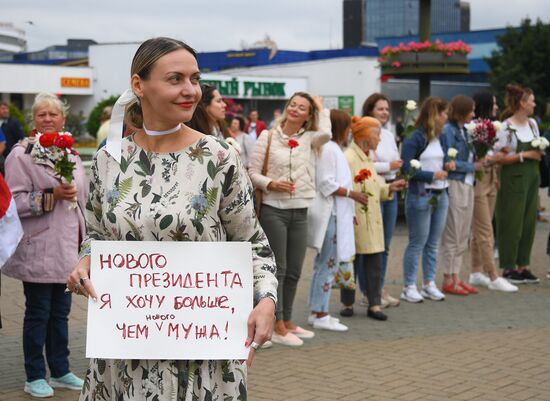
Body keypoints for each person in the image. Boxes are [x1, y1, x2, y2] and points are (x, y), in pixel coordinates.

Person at [67, 37, 277, 401]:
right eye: (175, 79)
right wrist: (85, 262)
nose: (189, 90)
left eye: (194, 79)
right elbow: (97, 234)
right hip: (126, 353)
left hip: (199, 357)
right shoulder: (109, 160)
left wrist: (267, 301)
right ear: (138, 85)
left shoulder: (219, 157)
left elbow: (253, 244)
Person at [2, 93, 88, 398]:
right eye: (42, 115)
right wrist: (51, 194)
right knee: (38, 312)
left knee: (61, 313)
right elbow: (14, 201)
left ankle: (61, 369)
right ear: (33, 120)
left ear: (63, 119)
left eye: (53, 114)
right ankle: (34, 374)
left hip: (67, 249)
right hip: (38, 247)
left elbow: (83, 199)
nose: (48, 119)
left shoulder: (73, 154)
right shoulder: (21, 154)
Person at [249, 92, 331, 346]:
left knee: (295, 269)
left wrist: (321, 107)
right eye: (293, 105)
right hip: (274, 209)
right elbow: (251, 172)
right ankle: (275, 325)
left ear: (309, 115)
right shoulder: (268, 136)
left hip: (301, 209)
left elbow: (327, 134)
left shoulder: (310, 139)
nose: (295, 109)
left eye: (303, 107)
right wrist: (271, 183)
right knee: (280, 268)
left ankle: (288, 320)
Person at [307, 109, 366, 331]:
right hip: (331, 214)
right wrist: (353, 196)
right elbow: (326, 183)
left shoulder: (333, 149)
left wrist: (350, 210)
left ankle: (317, 310)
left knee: (325, 264)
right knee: (328, 264)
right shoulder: (330, 149)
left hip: (337, 213)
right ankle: (320, 312)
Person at [343, 116, 406, 320]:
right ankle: (348, 302)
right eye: (377, 134)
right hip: (357, 217)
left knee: (374, 261)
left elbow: (371, 187)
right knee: (351, 261)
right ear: (366, 136)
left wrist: (389, 187)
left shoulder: (367, 157)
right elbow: (346, 189)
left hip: (371, 217)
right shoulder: (350, 158)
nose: (379, 139)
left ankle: (374, 304)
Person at [401, 97, 450, 303]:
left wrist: (449, 166)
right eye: (445, 113)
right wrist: (431, 175)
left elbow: (443, 160)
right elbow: (406, 169)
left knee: (433, 242)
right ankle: (408, 286)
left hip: (441, 193)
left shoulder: (441, 137)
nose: (447, 117)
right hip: (420, 194)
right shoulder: (415, 137)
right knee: (417, 242)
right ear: (435, 114)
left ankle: (429, 283)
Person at [468, 91, 518, 292]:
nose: (497, 108)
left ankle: (475, 271)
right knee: (485, 230)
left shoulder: (492, 128)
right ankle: (493, 275)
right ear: (485, 106)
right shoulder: (473, 129)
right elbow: (477, 157)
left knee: (481, 229)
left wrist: (497, 156)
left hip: (491, 178)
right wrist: (495, 157)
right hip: (479, 181)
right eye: (494, 104)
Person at [494, 84, 542, 284]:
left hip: (532, 177)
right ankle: (508, 267)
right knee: (512, 223)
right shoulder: (506, 127)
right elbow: (498, 157)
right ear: (522, 103)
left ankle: (524, 266)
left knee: (529, 222)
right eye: (531, 100)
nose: (534, 104)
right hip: (513, 179)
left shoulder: (532, 124)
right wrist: (524, 155)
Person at [439, 95, 484, 295]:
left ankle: (456, 276)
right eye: (471, 110)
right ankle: (447, 277)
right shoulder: (448, 131)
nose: (474, 114)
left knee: (463, 234)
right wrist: (472, 166)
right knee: (453, 232)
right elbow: (449, 162)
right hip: (456, 182)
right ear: (463, 110)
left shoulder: (465, 131)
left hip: (467, 183)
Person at [362, 93, 402, 308]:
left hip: (391, 189)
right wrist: (389, 167)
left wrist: (397, 168)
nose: (385, 112)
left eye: (387, 109)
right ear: (370, 110)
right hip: (373, 191)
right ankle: (368, 289)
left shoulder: (387, 134)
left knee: (385, 245)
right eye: (380, 109)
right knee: (371, 245)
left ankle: (380, 287)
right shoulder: (363, 132)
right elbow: (362, 164)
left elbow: (394, 159)